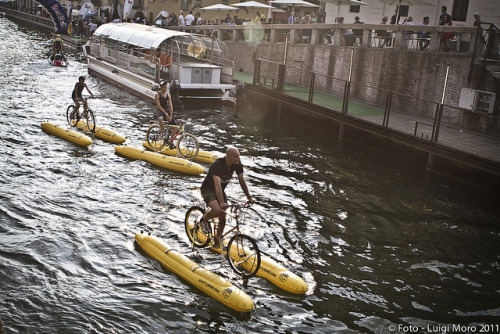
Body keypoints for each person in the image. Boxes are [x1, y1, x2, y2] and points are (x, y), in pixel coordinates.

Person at [199, 146, 255, 247]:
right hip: (208, 190)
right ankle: (203, 220)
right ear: (228, 157)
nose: (238, 158)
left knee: (223, 218)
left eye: (239, 155)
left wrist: (249, 197)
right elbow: (217, 184)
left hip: (220, 191)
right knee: (217, 210)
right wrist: (221, 202)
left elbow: (241, 180)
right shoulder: (217, 165)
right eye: (235, 156)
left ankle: (216, 239)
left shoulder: (237, 164)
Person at [154, 80, 176, 147]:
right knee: (160, 119)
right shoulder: (157, 95)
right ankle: (163, 133)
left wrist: (171, 115)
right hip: (161, 111)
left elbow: (170, 106)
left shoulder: (168, 95)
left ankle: (171, 142)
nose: (165, 89)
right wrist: (166, 114)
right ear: (160, 87)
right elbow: (159, 106)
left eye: (166, 87)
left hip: (167, 110)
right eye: (164, 87)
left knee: (175, 127)